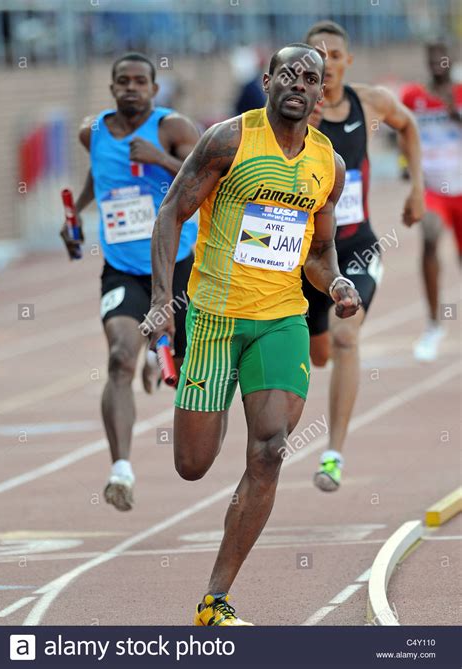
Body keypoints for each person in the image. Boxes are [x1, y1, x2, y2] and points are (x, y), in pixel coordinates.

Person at [144, 42, 361, 625]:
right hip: (214, 318)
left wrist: (337, 284)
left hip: (281, 318)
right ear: (266, 80)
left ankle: (215, 599)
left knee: (268, 449)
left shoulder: (327, 166)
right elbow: (170, 213)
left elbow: (319, 254)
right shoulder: (228, 141)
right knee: (192, 464)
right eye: (287, 72)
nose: (298, 81)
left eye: (310, 76)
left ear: (320, 94)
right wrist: (164, 301)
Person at [60, 52, 200, 511]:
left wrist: (159, 158)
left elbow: (209, 179)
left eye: (141, 81)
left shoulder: (174, 129)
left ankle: (158, 352)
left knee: (183, 371)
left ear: (155, 90)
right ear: (112, 88)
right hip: (122, 266)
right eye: (123, 81)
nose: (131, 88)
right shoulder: (92, 131)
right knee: (119, 355)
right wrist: (75, 217)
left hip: (177, 263)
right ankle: (121, 470)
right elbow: (99, 176)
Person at [300, 21, 425, 492]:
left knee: (346, 335)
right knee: (321, 354)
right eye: (316, 55)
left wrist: (417, 188)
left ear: (346, 62)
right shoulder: (289, 114)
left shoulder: (368, 102)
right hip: (306, 257)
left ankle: (332, 454)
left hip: (355, 248)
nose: (326, 63)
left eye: (334, 55)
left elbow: (408, 124)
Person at [401, 41, 462, 362]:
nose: (439, 61)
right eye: (432, 56)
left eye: (444, 56)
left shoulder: (461, 93)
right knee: (429, 239)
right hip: (433, 189)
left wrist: (454, 111)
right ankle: (434, 324)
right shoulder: (414, 97)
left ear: (452, 60)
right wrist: (406, 171)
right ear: (426, 61)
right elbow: (402, 134)